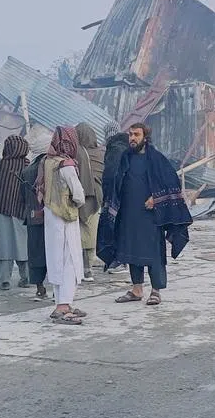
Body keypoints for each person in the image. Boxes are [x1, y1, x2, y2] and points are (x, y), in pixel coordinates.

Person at [98, 122, 192, 306]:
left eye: (136, 135)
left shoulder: (156, 159)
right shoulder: (125, 157)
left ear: (145, 137)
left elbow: (171, 184)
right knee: (131, 252)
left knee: (154, 254)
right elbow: (115, 182)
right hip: (128, 215)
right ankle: (137, 289)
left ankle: (156, 291)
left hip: (151, 217)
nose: (132, 138)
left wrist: (157, 198)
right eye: (131, 134)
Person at [39, 126, 87, 324]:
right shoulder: (66, 165)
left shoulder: (47, 161)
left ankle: (60, 302)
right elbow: (79, 195)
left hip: (51, 217)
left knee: (56, 261)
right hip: (66, 217)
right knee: (70, 261)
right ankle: (63, 307)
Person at [0, 135, 30, 289]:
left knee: (4, 246)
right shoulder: (27, 165)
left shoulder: (2, 165)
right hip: (21, 212)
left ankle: (4, 280)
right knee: (23, 246)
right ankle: (26, 278)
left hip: (1, 211)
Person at [74, 122, 104, 281]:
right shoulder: (101, 153)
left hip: (79, 195)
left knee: (79, 233)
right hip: (97, 197)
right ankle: (88, 268)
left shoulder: (76, 153)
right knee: (91, 232)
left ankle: (80, 267)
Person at [100, 130, 131, 273]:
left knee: (113, 227)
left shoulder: (114, 150)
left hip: (114, 193)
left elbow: (110, 174)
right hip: (127, 193)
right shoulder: (126, 148)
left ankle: (118, 260)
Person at [20, 146, 48, 299]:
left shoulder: (26, 171)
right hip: (51, 217)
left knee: (36, 253)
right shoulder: (51, 168)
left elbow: (22, 197)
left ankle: (39, 286)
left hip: (32, 217)